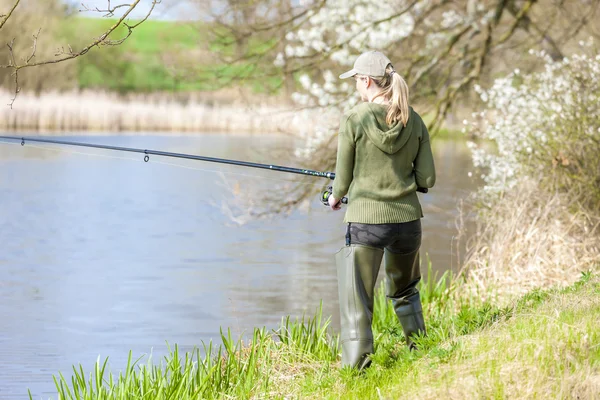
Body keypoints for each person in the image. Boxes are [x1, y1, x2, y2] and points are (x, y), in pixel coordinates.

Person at [328, 50, 436, 370]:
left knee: (357, 300)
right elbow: (427, 178)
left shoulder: (355, 118)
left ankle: (357, 371)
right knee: (405, 290)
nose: (356, 88)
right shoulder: (412, 119)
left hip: (366, 223)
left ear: (366, 81)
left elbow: (342, 180)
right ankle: (421, 350)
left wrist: (334, 197)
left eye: (357, 81)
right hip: (407, 221)